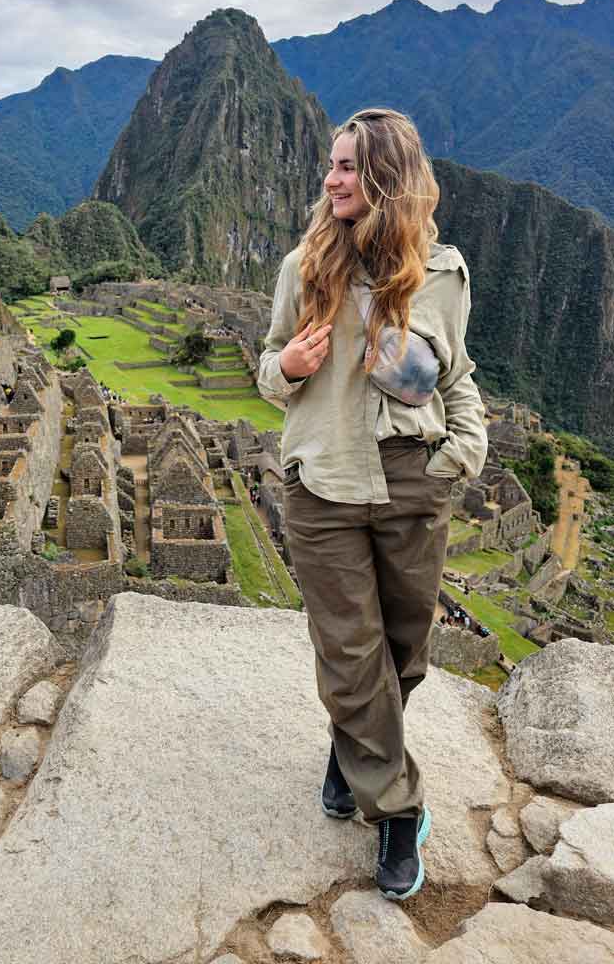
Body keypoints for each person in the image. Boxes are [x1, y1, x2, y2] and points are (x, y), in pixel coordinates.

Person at [258, 108, 487, 902]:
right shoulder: (303, 267)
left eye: (350, 166)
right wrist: (286, 364)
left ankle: (351, 749)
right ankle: (397, 811)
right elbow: (267, 369)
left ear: (388, 176)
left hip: (411, 483)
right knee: (351, 652)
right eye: (331, 164)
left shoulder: (443, 275)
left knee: (403, 650)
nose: (332, 179)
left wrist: (460, 454)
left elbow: (456, 376)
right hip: (322, 483)